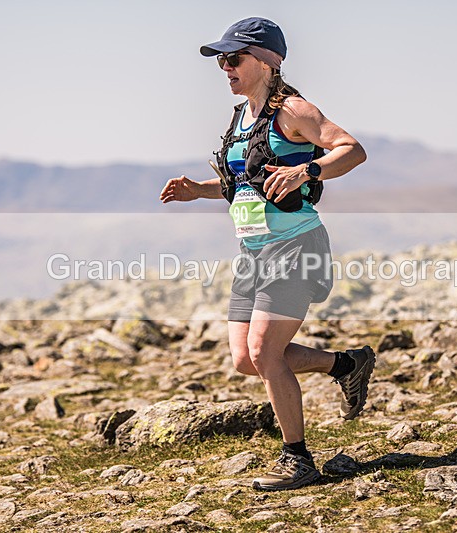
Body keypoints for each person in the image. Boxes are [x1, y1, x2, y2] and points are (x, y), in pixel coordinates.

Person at [159, 16, 375, 491]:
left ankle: (298, 460)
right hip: (253, 253)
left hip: (296, 246)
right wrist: (200, 190)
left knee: (265, 352)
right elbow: (246, 183)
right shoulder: (240, 119)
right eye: (222, 60)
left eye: (233, 58)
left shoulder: (293, 110)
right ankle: (346, 365)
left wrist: (307, 171)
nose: (225, 68)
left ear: (265, 62)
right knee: (245, 358)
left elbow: (351, 150)